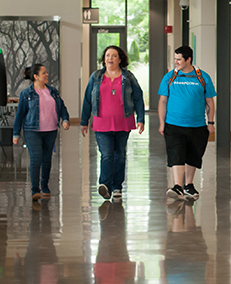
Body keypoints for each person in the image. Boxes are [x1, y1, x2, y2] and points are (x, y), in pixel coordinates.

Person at [81, 46, 145, 201]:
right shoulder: (96, 77)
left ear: (120, 59)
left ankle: (117, 187)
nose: (110, 58)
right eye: (107, 55)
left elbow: (138, 97)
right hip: (101, 123)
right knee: (107, 155)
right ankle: (105, 184)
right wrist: (84, 121)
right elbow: (88, 99)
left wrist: (141, 119)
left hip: (123, 122)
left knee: (120, 155)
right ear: (104, 59)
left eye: (114, 56)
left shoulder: (128, 77)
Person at [158, 46, 218, 200]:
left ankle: (189, 185)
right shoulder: (169, 77)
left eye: (179, 59)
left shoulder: (202, 77)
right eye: (175, 59)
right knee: (176, 154)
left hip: (197, 125)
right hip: (173, 124)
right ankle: (177, 186)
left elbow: (210, 101)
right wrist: (161, 123)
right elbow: (163, 101)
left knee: (193, 155)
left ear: (188, 59)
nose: (176, 62)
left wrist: (211, 122)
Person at [12, 63, 72, 201]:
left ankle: (45, 186)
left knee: (47, 160)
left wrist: (65, 120)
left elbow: (62, 107)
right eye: (44, 73)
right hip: (32, 131)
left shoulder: (53, 91)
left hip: (50, 131)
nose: (47, 75)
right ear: (36, 76)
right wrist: (16, 134)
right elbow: (20, 115)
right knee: (36, 158)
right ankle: (35, 190)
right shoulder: (26, 94)